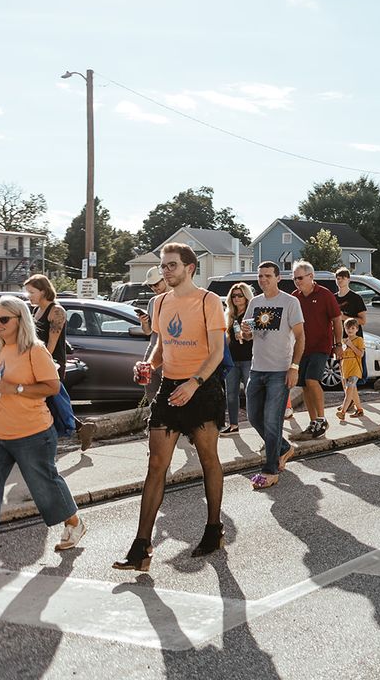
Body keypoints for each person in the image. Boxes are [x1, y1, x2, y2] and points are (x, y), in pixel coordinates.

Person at [114, 243, 227, 571]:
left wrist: (194, 383)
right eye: (163, 266)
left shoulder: (208, 302)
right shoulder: (158, 302)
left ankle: (213, 528)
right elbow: (161, 346)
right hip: (169, 390)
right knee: (156, 466)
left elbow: (217, 352)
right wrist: (148, 365)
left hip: (202, 390)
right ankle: (141, 547)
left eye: (171, 266)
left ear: (189, 268)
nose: (165, 271)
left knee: (208, 460)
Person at [0, 297, 85, 572]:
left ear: (20, 320)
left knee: (45, 486)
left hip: (32, 433)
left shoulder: (35, 351)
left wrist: (13, 389)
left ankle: (74, 522)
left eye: (4, 319)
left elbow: (52, 386)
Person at [241, 261, 304, 491]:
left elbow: (300, 336)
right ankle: (283, 448)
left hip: (280, 370)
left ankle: (270, 470)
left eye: (268, 275)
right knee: (254, 417)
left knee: (272, 420)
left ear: (278, 278)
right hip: (257, 369)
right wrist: (245, 333)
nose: (263, 279)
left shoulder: (290, 302)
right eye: (260, 276)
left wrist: (294, 367)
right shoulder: (255, 303)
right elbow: (248, 335)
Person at [24, 274, 96, 451]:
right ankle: (80, 428)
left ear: (43, 291)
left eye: (32, 292)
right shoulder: (36, 311)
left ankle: (47, 441)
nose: (29, 296)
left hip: (52, 362)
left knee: (49, 400)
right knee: (51, 402)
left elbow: (51, 344)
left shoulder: (56, 311)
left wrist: (39, 363)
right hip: (38, 360)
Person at [289, 261, 343, 439]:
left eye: (300, 278)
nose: (297, 281)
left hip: (320, 346)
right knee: (304, 384)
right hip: (300, 348)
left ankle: (321, 419)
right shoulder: (294, 297)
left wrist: (338, 344)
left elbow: (336, 320)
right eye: (294, 278)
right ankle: (313, 424)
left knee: (312, 380)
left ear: (311, 277)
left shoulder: (325, 295)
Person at [221, 282, 253, 434]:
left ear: (246, 297)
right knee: (231, 394)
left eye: (240, 295)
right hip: (232, 360)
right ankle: (233, 425)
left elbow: (255, 336)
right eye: (233, 296)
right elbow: (227, 339)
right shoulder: (229, 315)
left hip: (248, 358)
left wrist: (246, 336)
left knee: (251, 392)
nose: (236, 298)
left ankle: (257, 422)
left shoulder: (251, 314)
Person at [136, 265, 167, 405]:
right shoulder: (152, 302)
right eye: (150, 286)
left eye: (156, 284)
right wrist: (144, 322)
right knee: (150, 390)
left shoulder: (177, 300)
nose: (154, 288)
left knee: (168, 392)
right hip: (152, 349)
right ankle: (153, 419)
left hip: (169, 352)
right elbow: (148, 332)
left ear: (165, 279)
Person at [334, 267, 368, 380]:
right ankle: (351, 398)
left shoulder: (356, 298)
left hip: (355, 340)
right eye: (338, 278)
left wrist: (344, 317)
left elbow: (363, 320)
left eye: (343, 278)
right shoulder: (333, 298)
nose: (340, 281)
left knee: (354, 376)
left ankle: (349, 398)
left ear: (348, 279)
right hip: (339, 340)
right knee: (343, 375)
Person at [337, 317, 365, 419]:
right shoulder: (343, 341)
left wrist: (351, 345)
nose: (350, 330)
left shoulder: (359, 340)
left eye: (353, 328)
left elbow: (361, 354)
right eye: (348, 328)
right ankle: (359, 409)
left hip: (355, 367)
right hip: (345, 367)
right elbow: (340, 356)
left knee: (349, 389)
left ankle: (343, 411)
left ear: (357, 329)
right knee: (352, 391)